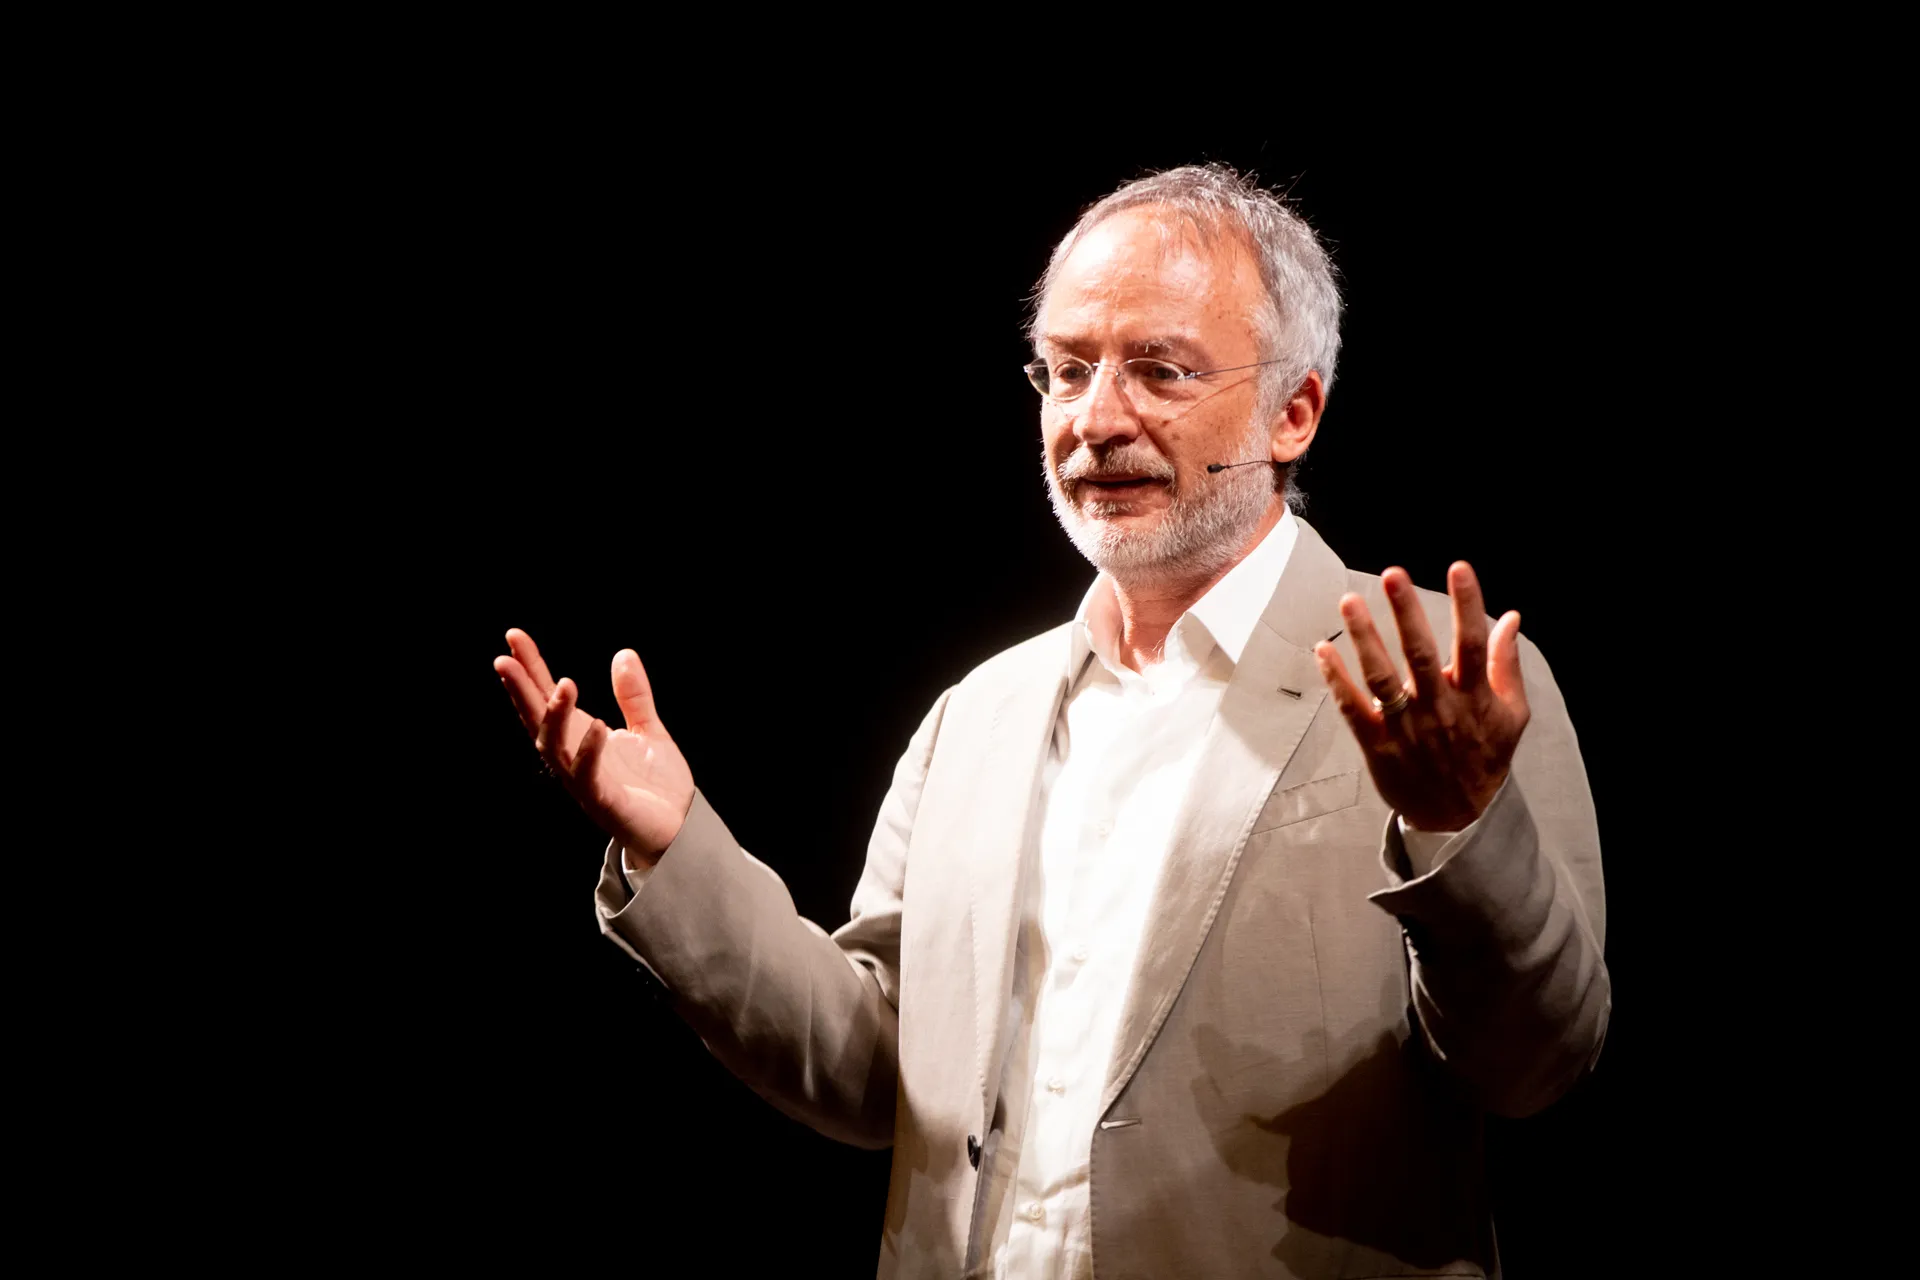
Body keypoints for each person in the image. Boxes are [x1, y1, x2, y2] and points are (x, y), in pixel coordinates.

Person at [493, 165, 1608, 1279]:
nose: (1095, 419)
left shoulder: (1440, 682)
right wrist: (677, 844)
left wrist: (1458, 827)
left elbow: (1535, 1063)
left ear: (1294, 411)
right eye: (1067, 369)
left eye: (1159, 371)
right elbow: (874, 1066)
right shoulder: (976, 714)